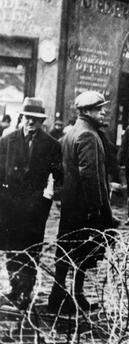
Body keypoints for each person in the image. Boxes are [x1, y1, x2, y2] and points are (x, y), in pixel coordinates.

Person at [47, 91, 116, 313]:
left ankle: (57, 296)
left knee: (66, 249)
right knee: (83, 252)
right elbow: (90, 176)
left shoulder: (70, 133)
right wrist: (97, 210)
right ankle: (77, 297)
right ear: (86, 112)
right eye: (98, 109)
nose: (103, 112)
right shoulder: (89, 135)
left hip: (71, 205)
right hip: (86, 208)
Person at [0, 98, 62, 309]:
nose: (31, 123)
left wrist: (47, 199)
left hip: (34, 208)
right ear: (22, 118)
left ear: (41, 121)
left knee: (31, 248)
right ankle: (14, 288)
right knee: (11, 247)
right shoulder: (8, 140)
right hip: (9, 205)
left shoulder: (51, 144)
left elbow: (59, 175)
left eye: (35, 119)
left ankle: (26, 291)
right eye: (28, 118)